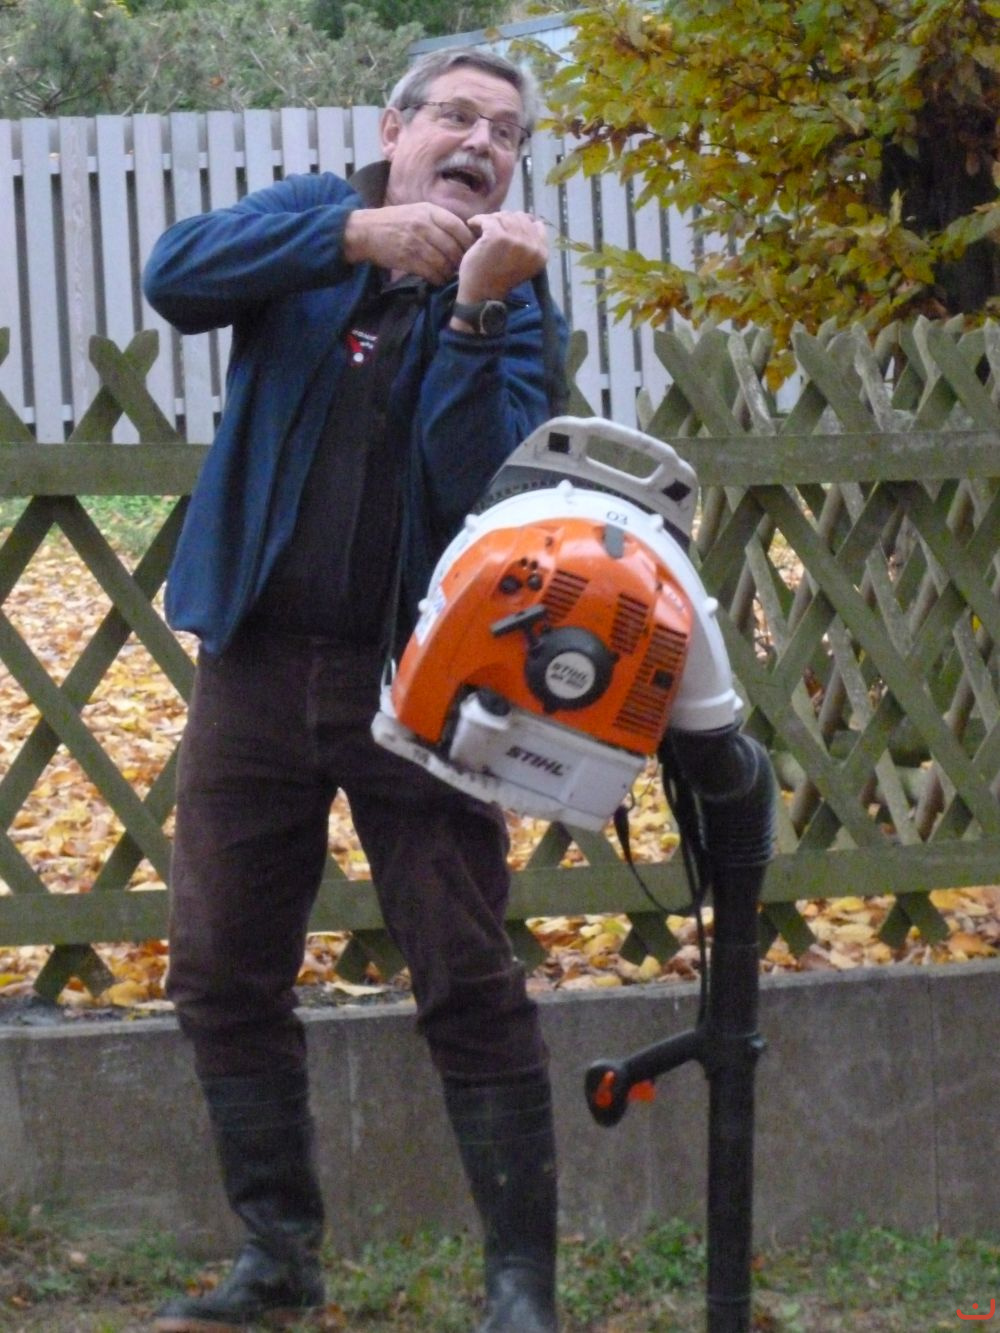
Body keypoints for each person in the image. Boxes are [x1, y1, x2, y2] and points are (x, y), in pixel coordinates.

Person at [142, 45, 567, 1333]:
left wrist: (477, 315)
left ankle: (520, 1287)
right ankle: (277, 1260)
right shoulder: (309, 220)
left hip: (420, 686)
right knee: (221, 970)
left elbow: (479, 479)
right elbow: (175, 276)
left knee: (467, 973)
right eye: (457, 116)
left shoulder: (518, 293)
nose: (480, 142)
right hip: (257, 668)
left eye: (506, 131)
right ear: (395, 128)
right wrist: (349, 236)